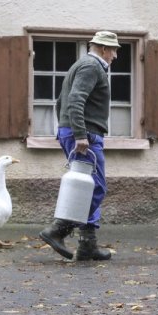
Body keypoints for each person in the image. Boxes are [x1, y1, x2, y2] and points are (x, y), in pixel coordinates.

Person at [39, 31, 119, 261]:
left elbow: (59, 102)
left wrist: (67, 129)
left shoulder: (81, 65)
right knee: (96, 188)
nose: (115, 55)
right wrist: (80, 134)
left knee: (88, 187)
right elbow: (75, 100)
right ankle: (58, 230)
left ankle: (87, 245)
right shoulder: (91, 67)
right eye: (113, 50)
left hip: (76, 132)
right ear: (103, 49)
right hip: (85, 136)